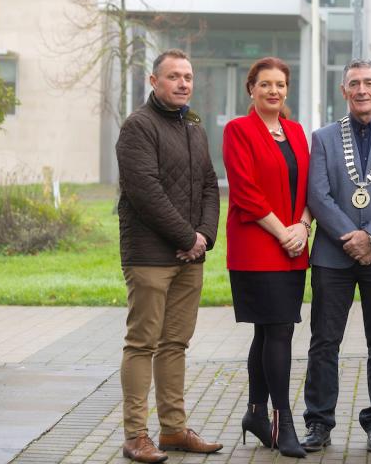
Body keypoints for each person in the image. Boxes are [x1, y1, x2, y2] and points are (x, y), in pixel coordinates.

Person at [302, 59, 371, 454]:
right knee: (324, 341)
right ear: (344, 91)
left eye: (369, 82)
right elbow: (317, 194)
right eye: (354, 83)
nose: (362, 90)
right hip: (332, 256)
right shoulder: (323, 138)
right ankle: (318, 422)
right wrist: (349, 237)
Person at [115, 49, 222, 463]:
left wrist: (205, 237)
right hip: (149, 256)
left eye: (188, 76)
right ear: (153, 81)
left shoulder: (193, 125)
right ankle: (135, 435)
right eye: (174, 76)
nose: (183, 83)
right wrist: (186, 235)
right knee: (142, 344)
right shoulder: (137, 127)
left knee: (175, 343)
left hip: (190, 258)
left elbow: (211, 186)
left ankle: (174, 430)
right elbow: (145, 191)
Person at [222, 57, 310, 458]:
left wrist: (303, 227)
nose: (273, 91)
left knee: (269, 331)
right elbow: (245, 190)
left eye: (280, 84)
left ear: (287, 90)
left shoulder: (295, 131)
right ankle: (283, 420)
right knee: (278, 331)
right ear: (251, 89)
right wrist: (283, 232)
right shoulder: (238, 131)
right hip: (257, 247)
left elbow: (310, 186)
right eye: (265, 85)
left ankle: (256, 413)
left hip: (293, 245)